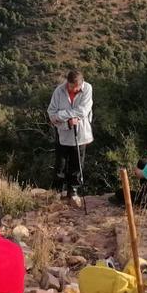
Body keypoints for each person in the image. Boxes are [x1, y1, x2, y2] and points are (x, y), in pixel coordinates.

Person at [47, 69, 93, 208]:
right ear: (67, 83)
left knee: (77, 164)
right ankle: (57, 191)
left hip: (81, 134)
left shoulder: (87, 89)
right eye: (71, 87)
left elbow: (83, 111)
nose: (73, 90)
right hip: (63, 133)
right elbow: (51, 113)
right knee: (60, 164)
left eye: (76, 87)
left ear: (81, 83)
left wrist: (61, 115)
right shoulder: (59, 91)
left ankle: (73, 191)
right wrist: (66, 121)